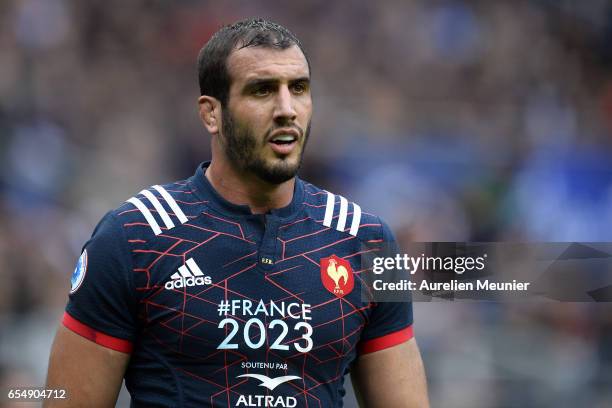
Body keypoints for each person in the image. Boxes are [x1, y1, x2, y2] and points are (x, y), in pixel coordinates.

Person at [45, 18, 429, 407]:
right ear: (212, 114)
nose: (286, 109)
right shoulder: (133, 236)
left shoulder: (369, 241)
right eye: (262, 91)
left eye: (298, 88)